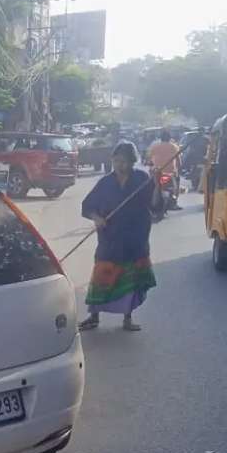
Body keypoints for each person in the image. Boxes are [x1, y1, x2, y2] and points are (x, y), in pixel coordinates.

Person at [79, 142, 160, 333]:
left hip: (135, 237)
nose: (119, 166)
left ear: (132, 162)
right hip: (110, 237)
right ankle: (94, 316)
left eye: (123, 162)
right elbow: (87, 206)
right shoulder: (106, 182)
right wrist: (96, 217)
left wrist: (156, 184)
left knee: (130, 278)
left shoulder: (142, 179)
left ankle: (127, 318)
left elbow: (155, 205)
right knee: (102, 274)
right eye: (116, 161)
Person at [148, 129, 182, 206]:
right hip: (170, 172)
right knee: (177, 182)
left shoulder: (155, 147)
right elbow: (179, 161)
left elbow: (149, 159)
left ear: (161, 138)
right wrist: (179, 170)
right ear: (170, 138)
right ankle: (175, 202)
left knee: (152, 186)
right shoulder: (174, 147)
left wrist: (150, 164)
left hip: (157, 172)